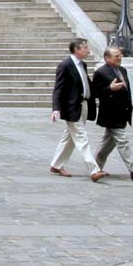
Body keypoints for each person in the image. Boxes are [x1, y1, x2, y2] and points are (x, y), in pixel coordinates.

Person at [91, 45, 133, 181]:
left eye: (120, 55)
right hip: (110, 113)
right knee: (122, 141)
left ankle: (95, 168)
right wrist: (109, 88)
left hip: (123, 112)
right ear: (107, 58)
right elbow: (95, 93)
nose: (120, 57)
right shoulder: (101, 72)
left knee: (107, 143)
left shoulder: (123, 70)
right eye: (116, 56)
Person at [49, 38, 100, 178]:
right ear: (77, 49)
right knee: (81, 137)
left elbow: (88, 84)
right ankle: (94, 169)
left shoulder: (82, 65)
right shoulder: (65, 65)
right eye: (85, 47)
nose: (88, 50)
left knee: (69, 137)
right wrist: (56, 108)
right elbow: (58, 88)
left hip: (83, 105)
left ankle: (56, 165)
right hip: (72, 107)